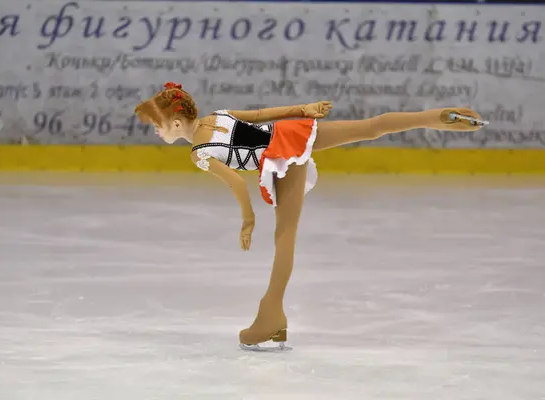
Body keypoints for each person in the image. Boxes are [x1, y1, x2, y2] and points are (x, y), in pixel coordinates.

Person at [134, 81, 486, 351]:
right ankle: (436, 117)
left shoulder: (200, 152)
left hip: (279, 159)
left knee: (284, 236)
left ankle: (271, 315)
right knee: (370, 126)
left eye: (156, 126)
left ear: (177, 123)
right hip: (289, 134)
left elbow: (237, 185)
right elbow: (261, 116)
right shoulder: (217, 117)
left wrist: (247, 221)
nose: (156, 132)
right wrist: (303, 109)